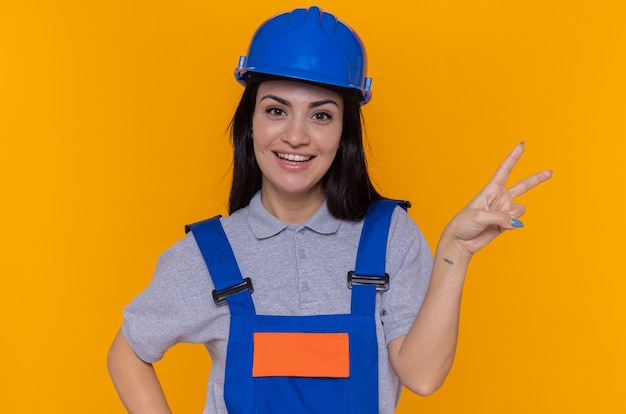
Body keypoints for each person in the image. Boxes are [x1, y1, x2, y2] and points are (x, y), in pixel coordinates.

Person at [107, 6, 552, 414]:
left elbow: (422, 376)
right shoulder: (209, 253)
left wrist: (456, 251)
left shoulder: (388, 236)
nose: (296, 136)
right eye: (277, 110)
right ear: (250, 123)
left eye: (321, 115)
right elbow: (128, 351)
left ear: (344, 132)